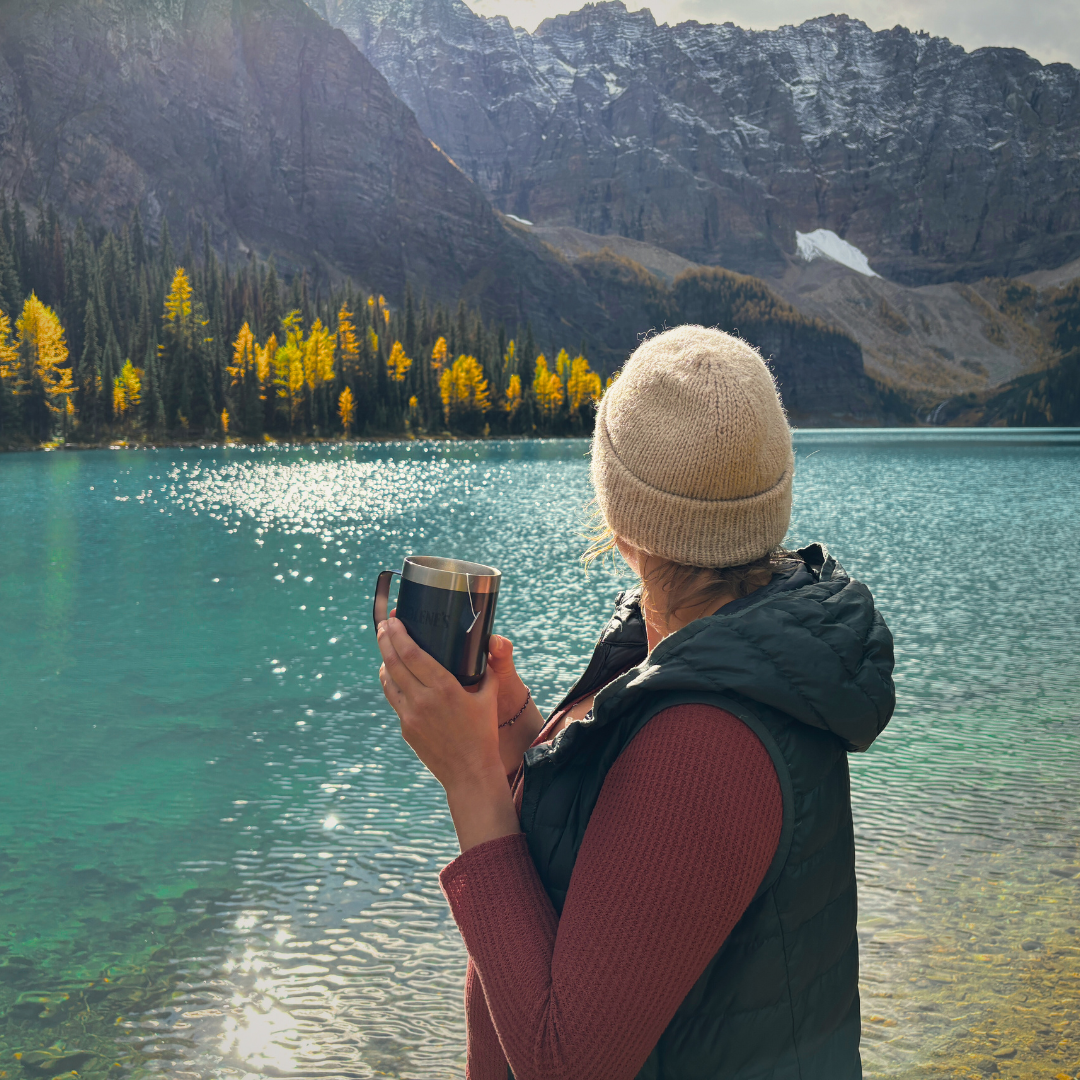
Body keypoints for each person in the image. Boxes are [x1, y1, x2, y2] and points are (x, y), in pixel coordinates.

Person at [375, 325, 896, 1080]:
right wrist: (516, 725)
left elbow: (564, 1064)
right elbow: (613, 846)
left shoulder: (708, 736)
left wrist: (469, 781)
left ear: (621, 515)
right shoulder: (715, 647)